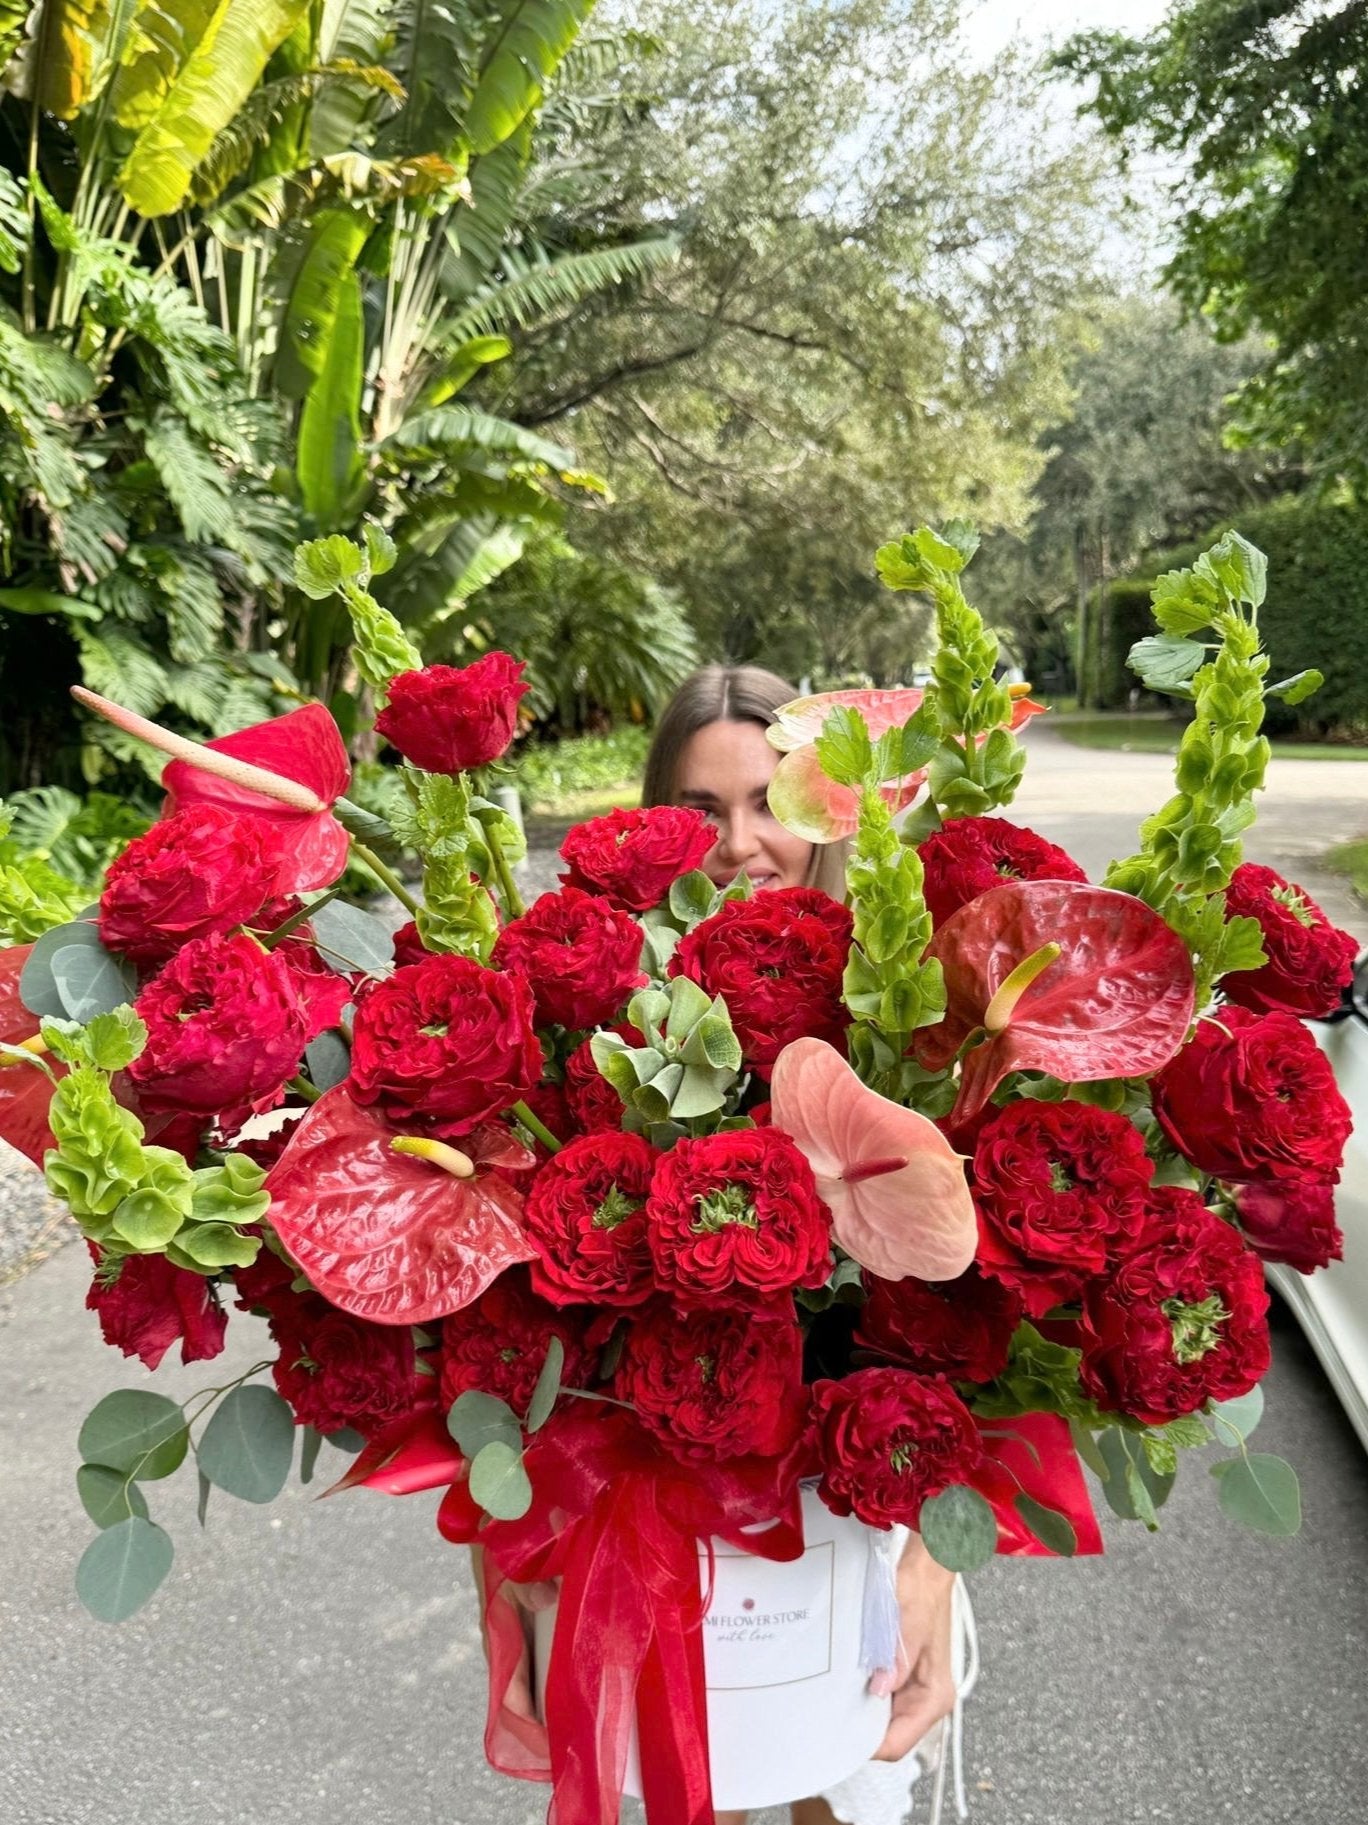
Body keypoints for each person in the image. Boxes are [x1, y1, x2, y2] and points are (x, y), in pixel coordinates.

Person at [644, 665, 962, 1825]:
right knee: (703, 1784)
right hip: (686, 1532)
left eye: (767, 801)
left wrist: (930, 1567)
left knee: (849, 1788)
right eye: (698, 811)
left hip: (862, 1525)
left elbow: (979, 1331)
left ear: (827, 806)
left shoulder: (897, 1008)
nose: (738, 843)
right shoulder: (625, 1021)